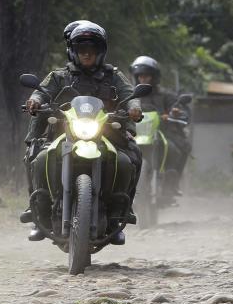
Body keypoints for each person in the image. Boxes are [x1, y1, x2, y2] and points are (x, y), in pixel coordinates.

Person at [22, 21, 143, 244]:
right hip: (63, 132)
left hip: (106, 132)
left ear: (101, 52)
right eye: (82, 50)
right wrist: (34, 101)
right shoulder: (59, 76)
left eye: (92, 50)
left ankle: (118, 216)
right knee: (39, 159)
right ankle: (39, 215)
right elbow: (41, 93)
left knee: (128, 160)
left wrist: (134, 108)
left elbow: (130, 94)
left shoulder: (113, 75)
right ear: (73, 51)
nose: (87, 54)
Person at [130, 55, 191, 201]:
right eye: (140, 76)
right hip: (134, 133)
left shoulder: (166, 95)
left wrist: (175, 112)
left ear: (154, 77)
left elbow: (179, 108)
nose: (143, 79)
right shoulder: (132, 95)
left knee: (181, 147)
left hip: (163, 132)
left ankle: (172, 184)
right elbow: (121, 106)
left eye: (147, 76)